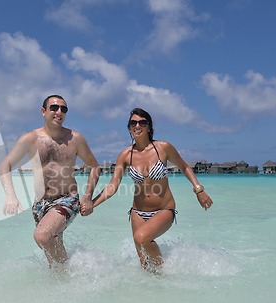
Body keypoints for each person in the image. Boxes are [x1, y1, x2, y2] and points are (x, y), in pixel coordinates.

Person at [85, 107, 213, 271]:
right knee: (145, 265)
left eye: (142, 122)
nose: (137, 126)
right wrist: (92, 203)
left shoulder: (163, 148)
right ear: (129, 127)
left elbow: (184, 167)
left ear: (149, 126)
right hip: (137, 212)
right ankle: (153, 291)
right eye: (133, 123)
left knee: (141, 238)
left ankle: (165, 274)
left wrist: (199, 189)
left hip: (164, 209)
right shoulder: (125, 155)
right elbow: (113, 185)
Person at [0, 94, 100, 268]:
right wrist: (10, 196)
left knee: (42, 236)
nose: (59, 112)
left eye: (63, 109)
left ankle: (67, 272)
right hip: (40, 203)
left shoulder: (75, 139)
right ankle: (63, 284)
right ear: (43, 111)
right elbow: (4, 165)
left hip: (66, 199)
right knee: (51, 252)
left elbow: (95, 167)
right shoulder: (30, 139)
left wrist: (87, 197)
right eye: (54, 107)